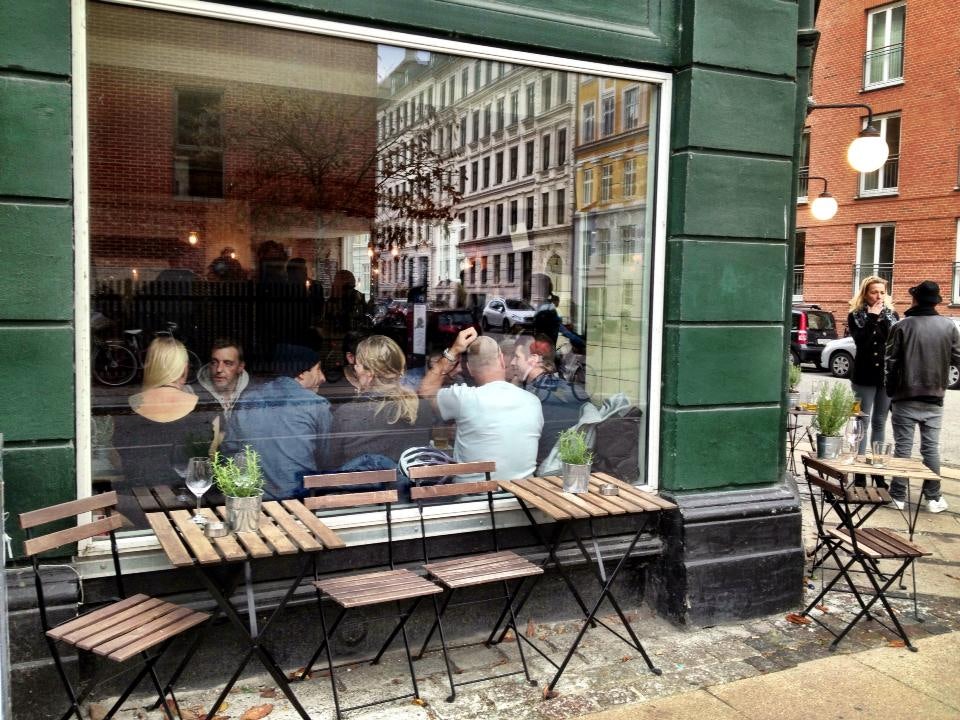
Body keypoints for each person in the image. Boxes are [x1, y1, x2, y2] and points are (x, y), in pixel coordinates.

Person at [419, 327, 542, 481]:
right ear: (502, 360)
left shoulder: (464, 398)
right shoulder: (532, 401)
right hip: (521, 497)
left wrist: (453, 351)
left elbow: (425, 392)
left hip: (473, 499)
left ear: (469, 370)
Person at [112, 337, 213, 519]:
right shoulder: (206, 409)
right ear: (183, 368)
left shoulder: (123, 410)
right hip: (192, 510)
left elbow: (117, 461)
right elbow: (216, 461)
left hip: (137, 509)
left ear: (150, 367)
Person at [884, 280, 960, 513]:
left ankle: (897, 496)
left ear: (915, 299)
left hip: (905, 396)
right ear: (935, 301)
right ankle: (933, 498)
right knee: (931, 449)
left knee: (903, 449)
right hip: (935, 396)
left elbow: (890, 363)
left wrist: (890, 392)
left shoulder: (901, 326)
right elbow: (957, 358)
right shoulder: (949, 326)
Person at [223, 344, 332, 499]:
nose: (323, 378)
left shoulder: (247, 399)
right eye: (318, 369)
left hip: (254, 499)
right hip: (300, 501)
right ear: (301, 373)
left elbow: (230, 452)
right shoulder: (316, 404)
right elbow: (325, 461)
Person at [328, 335, 434, 470]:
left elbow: (331, 464)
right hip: (409, 489)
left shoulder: (347, 413)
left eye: (358, 365)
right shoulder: (422, 406)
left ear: (370, 373)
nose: (355, 369)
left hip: (364, 489)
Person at [846, 276, 899, 486]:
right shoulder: (856, 315)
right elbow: (862, 341)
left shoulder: (892, 315)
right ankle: (859, 472)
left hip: (885, 377)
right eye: (874, 292)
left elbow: (893, 342)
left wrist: (882, 318)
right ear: (865, 294)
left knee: (879, 422)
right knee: (861, 422)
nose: (878, 296)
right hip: (864, 376)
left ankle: (877, 471)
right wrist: (872, 318)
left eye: (882, 292)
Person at [511, 335, 586, 462]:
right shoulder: (574, 391)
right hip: (570, 463)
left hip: (541, 467)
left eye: (517, 357)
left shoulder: (528, 398)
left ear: (533, 359)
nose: (512, 362)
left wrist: (513, 389)